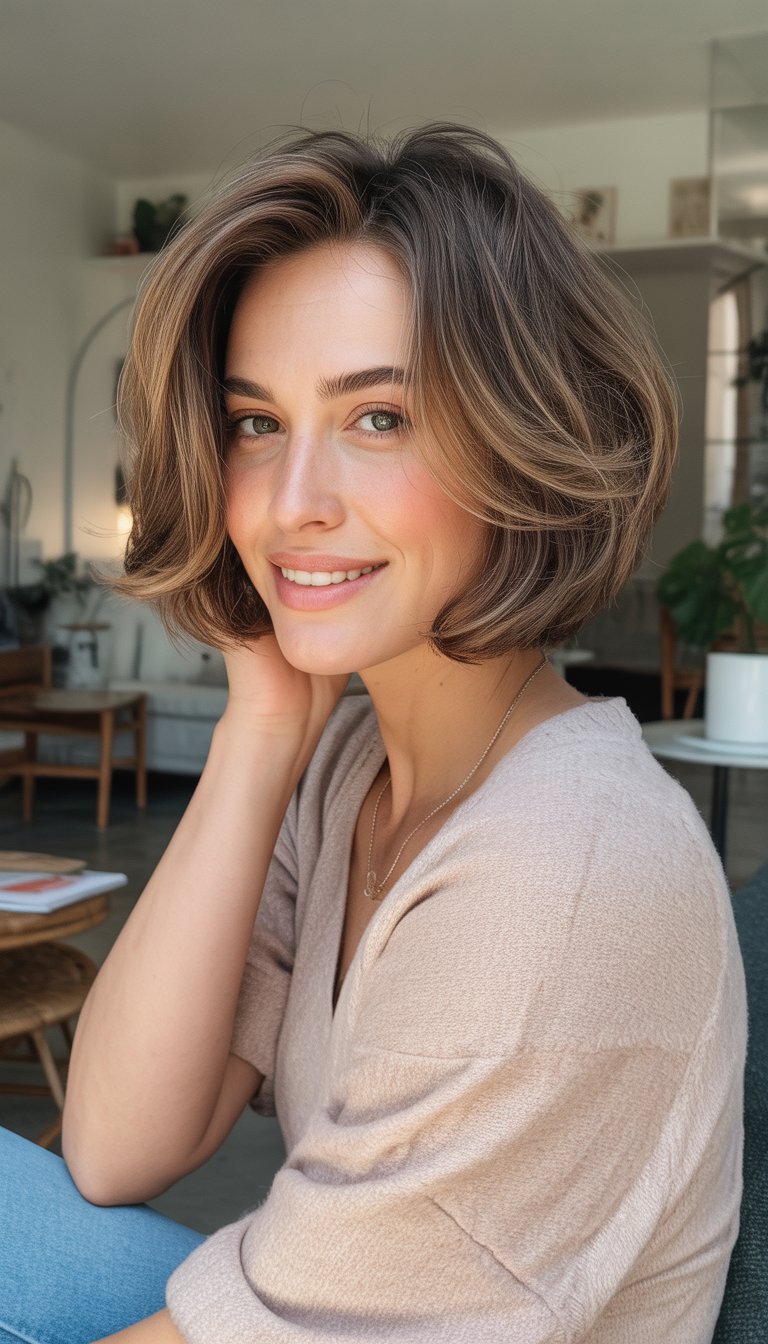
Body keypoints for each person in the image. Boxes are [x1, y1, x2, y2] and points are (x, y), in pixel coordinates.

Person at [0, 125, 746, 1344]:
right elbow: (117, 1145)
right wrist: (261, 727)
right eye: (255, 423)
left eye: (381, 417)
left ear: (525, 440)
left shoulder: (571, 876)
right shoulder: (354, 768)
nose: (294, 504)